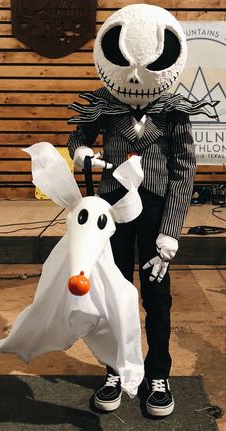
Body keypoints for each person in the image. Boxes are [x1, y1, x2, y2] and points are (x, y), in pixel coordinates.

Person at [67, 4, 218, 417]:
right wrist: (81, 151)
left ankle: (158, 373)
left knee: (157, 298)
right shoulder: (104, 101)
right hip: (112, 213)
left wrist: (170, 232)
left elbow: (184, 173)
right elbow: (78, 132)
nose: (133, 79)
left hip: (155, 213)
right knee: (112, 297)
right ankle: (115, 368)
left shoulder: (175, 111)